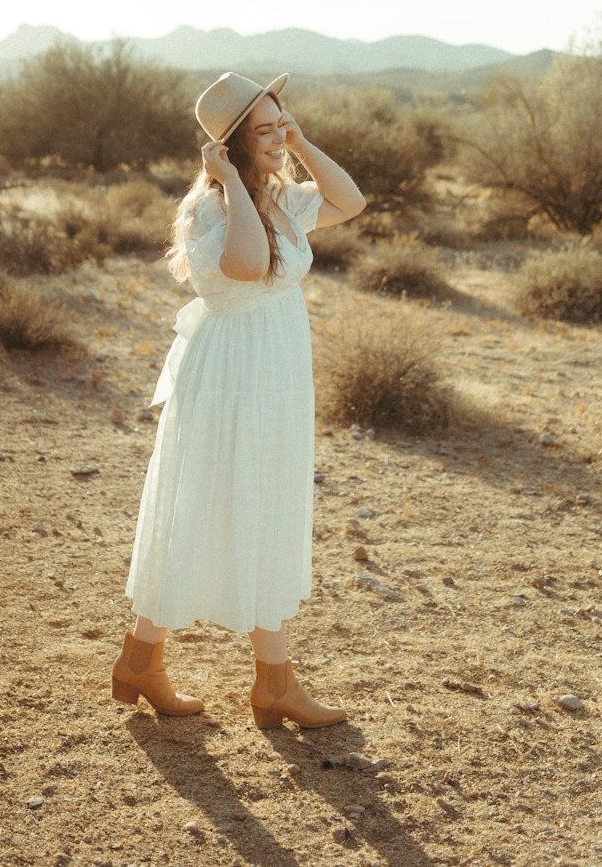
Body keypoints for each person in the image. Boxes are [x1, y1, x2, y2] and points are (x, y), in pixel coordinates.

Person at [112, 71, 366, 728]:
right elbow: (250, 266)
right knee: (203, 504)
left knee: (266, 503)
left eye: (283, 121)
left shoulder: (278, 196)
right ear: (230, 146)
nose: (279, 137)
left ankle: (266, 680)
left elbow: (352, 200)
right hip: (230, 376)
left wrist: (300, 141)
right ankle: (154, 662)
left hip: (276, 370)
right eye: (266, 129)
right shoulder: (213, 208)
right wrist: (226, 181)